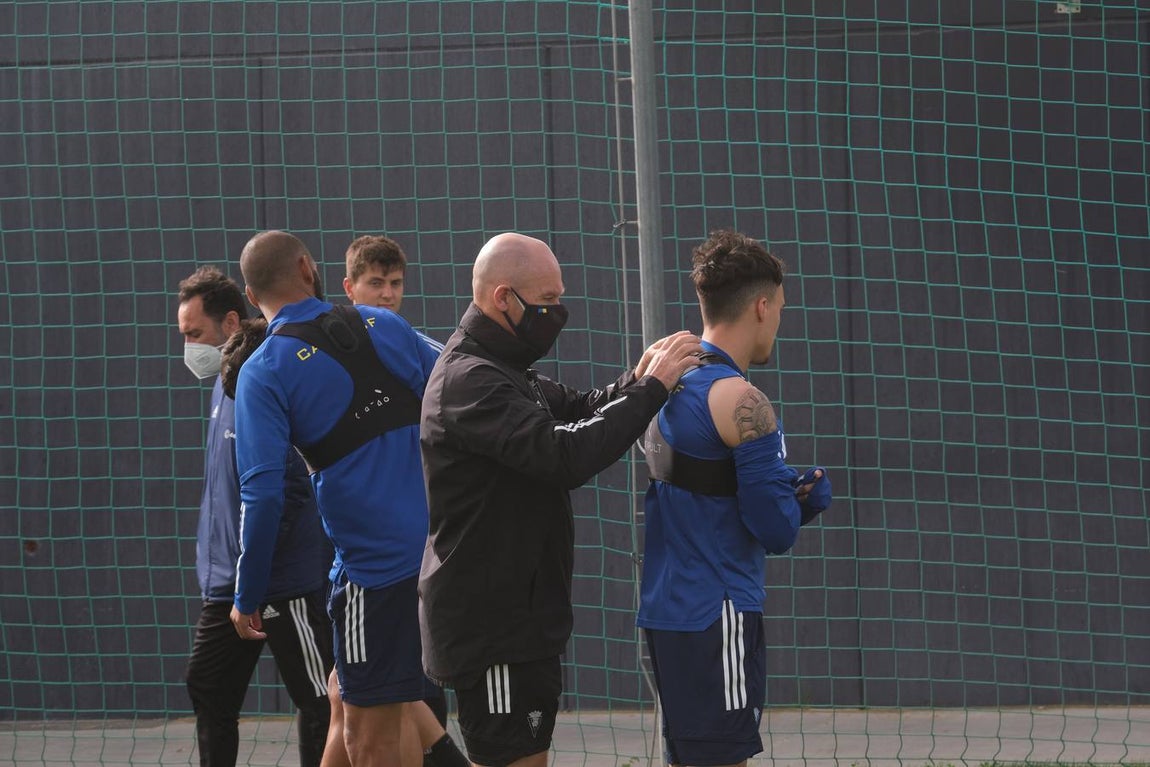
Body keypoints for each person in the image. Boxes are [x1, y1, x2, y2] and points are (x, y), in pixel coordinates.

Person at [418, 232, 704, 767]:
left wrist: (639, 377)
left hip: (521, 624)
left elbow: (579, 408)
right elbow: (563, 454)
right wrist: (651, 392)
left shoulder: (504, 370)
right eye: (546, 301)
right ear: (502, 297)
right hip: (493, 631)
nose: (557, 313)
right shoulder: (470, 380)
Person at [227, 231, 443, 767]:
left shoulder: (263, 370)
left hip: (375, 574)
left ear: (251, 298)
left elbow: (262, 495)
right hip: (437, 557)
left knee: (369, 742)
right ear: (309, 268)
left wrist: (246, 591)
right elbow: (463, 383)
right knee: (346, 699)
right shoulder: (387, 324)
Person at [637, 230, 833, 767]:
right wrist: (805, 501)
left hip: (666, 611)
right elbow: (775, 529)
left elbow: (704, 479)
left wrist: (774, 485)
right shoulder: (742, 399)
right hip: (718, 610)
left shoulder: (659, 377)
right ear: (763, 306)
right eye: (781, 310)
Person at [176, 266, 332, 767]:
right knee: (207, 686)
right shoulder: (223, 385)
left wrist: (257, 571)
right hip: (227, 585)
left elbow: (283, 490)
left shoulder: (262, 379)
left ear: (229, 323)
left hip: (281, 582)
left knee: (322, 699)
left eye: (194, 334)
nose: (188, 347)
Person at [342, 234, 408, 314]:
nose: (388, 295)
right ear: (349, 288)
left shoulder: (406, 327)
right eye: (376, 283)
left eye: (395, 283)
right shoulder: (332, 325)